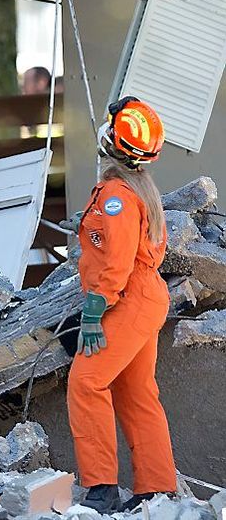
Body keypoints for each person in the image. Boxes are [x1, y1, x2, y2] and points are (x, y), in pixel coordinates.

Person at [69, 97, 176, 514]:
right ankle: (156, 489)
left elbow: (116, 263)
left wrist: (95, 310)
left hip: (126, 299)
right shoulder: (135, 190)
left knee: (86, 381)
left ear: (113, 142)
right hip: (144, 297)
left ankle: (101, 487)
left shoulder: (116, 195)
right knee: (135, 393)